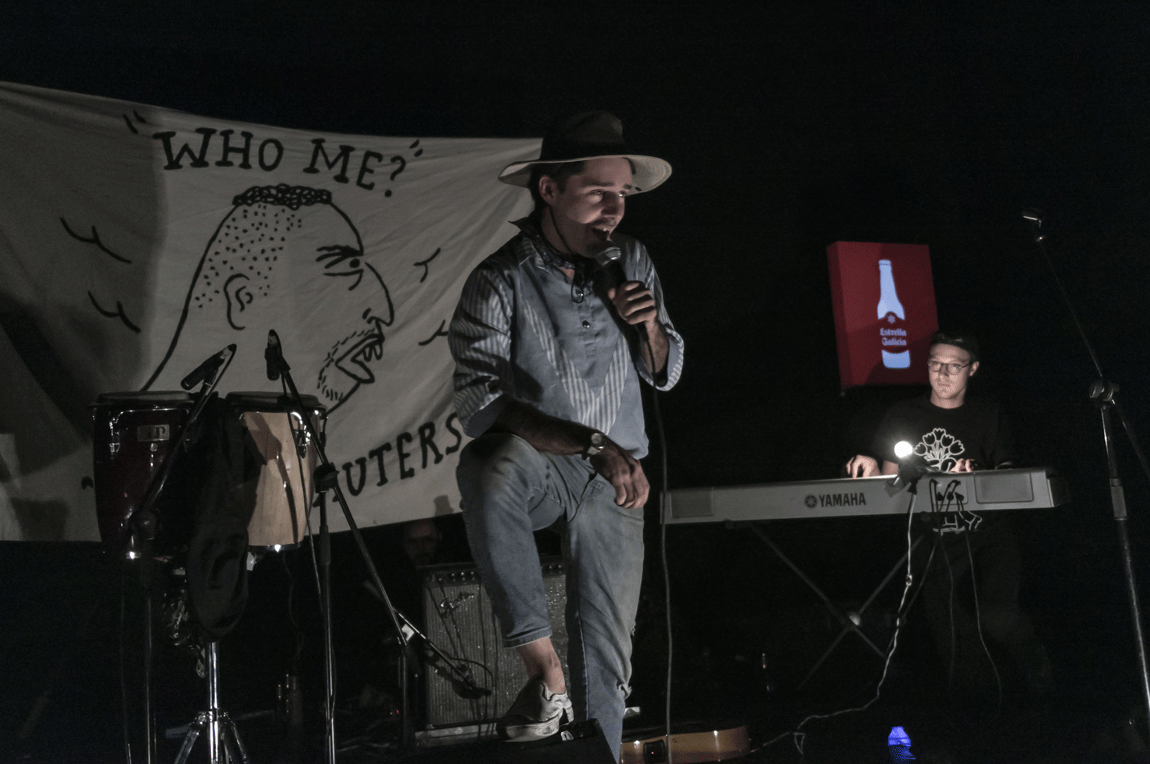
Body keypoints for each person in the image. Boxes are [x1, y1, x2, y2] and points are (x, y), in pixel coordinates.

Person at [448, 111, 683, 757]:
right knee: (487, 466)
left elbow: (663, 374)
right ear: (549, 190)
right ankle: (542, 672)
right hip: (550, 465)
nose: (614, 209)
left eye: (624, 195)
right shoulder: (498, 281)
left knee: (606, 661)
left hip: (618, 478)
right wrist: (594, 447)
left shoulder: (631, 259)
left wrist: (650, 326)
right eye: (598, 191)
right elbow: (479, 401)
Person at [845, 331, 1052, 699]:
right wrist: (870, 464)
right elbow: (890, 481)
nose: (942, 374)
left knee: (996, 615)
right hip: (933, 536)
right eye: (934, 364)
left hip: (988, 535)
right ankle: (976, 711)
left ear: (972, 369)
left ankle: (1039, 679)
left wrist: (977, 476)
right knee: (950, 627)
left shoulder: (988, 413)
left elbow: (1010, 474)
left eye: (953, 366)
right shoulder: (904, 413)